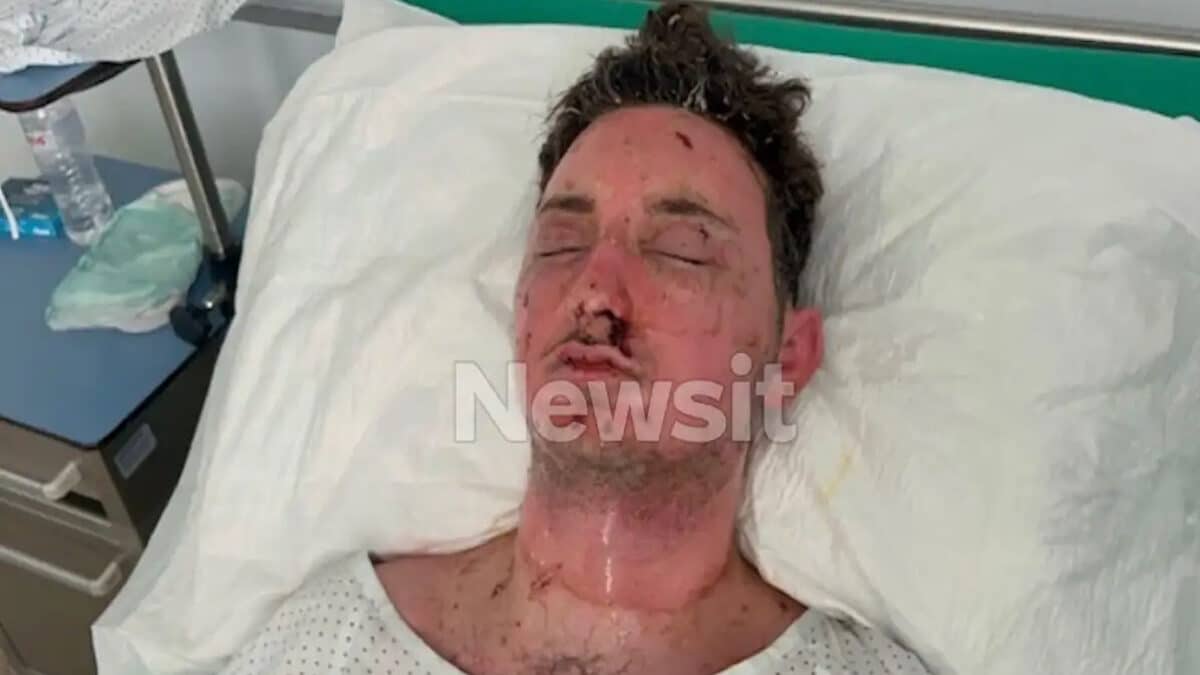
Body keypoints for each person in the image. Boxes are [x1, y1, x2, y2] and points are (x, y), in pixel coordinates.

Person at [222, 4, 932, 674]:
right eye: (561, 242)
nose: (595, 290)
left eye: (682, 251)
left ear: (786, 360)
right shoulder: (323, 643)